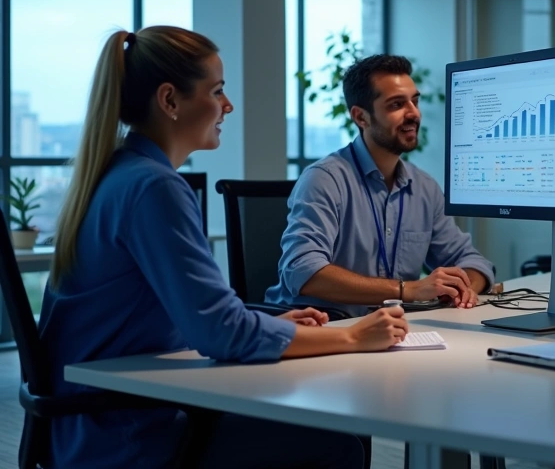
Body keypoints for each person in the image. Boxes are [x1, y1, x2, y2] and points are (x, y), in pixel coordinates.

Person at [39, 26, 409, 469]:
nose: (227, 105)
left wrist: (261, 322)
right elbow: (217, 333)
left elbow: (189, 319)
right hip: (127, 431)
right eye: (217, 91)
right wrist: (351, 335)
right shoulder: (154, 187)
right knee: (337, 444)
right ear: (170, 101)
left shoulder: (118, 174)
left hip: (89, 422)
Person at [267, 54, 495, 318]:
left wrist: (462, 287)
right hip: (320, 330)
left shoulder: (424, 188)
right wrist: (407, 290)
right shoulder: (324, 179)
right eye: (397, 104)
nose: (414, 113)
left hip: (389, 332)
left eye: (415, 101)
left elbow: (475, 262)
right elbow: (303, 272)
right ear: (361, 117)